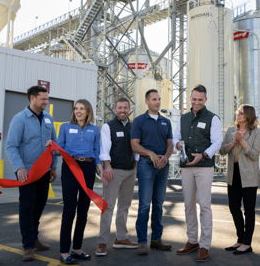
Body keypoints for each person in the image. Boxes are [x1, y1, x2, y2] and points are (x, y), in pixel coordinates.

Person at [5, 85, 57, 262]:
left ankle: (34, 238)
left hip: (44, 171)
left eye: (47, 98)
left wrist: (54, 167)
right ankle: (28, 246)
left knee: (39, 206)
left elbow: (54, 146)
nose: (46, 101)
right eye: (43, 98)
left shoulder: (48, 119)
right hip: (26, 172)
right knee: (26, 207)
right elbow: (11, 145)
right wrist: (19, 167)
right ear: (32, 98)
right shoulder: (20, 119)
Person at [173, 85, 223, 262]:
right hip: (186, 167)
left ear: (205, 99)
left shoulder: (213, 118)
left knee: (204, 205)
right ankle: (192, 240)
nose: (196, 103)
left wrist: (203, 155)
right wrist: (178, 145)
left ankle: (204, 245)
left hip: (204, 167)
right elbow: (176, 138)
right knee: (188, 205)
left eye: (200, 100)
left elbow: (217, 142)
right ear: (190, 98)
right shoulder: (183, 118)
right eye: (194, 99)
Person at [56, 99, 100, 264]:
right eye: (76, 109)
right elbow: (60, 148)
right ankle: (64, 251)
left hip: (88, 168)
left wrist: (98, 166)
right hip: (71, 168)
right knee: (69, 210)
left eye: (82, 109)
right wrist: (53, 147)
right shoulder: (66, 127)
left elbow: (96, 149)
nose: (78, 111)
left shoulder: (94, 129)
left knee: (83, 209)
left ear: (88, 111)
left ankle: (77, 248)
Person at [131, 89, 174, 255]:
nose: (157, 102)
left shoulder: (166, 122)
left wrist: (166, 157)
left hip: (163, 166)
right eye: (154, 99)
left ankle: (156, 239)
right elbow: (134, 145)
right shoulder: (139, 121)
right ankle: (142, 241)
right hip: (146, 166)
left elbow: (170, 143)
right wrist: (151, 154)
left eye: (159, 99)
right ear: (147, 101)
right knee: (144, 205)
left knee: (158, 204)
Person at [96, 97, 138, 256]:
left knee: (124, 206)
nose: (122, 110)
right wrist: (107, 167)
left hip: (130, 170)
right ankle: (102, 242)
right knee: (108, 207)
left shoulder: (134, 127)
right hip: (114, 171)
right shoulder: (108, 126)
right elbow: (104, 149)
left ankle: (121, 238)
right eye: (120, 108)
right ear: (115, 109)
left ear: (129, 109)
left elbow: (136, 148)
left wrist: (136, 164)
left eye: (125, 108)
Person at [219, 104, 260, 255]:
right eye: (238, 112)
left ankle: (247, 243)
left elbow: (255, 154)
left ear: (249, 115)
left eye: (242, 113)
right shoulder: (231, 130)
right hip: (233, 174)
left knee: (249, 210)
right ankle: (240, 238)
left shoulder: (256, 132)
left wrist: (242, 141)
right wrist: (234, 142)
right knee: (233, 207)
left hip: (249, 175)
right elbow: (222, 150)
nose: (238, 115)